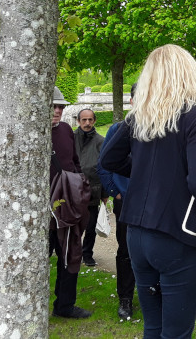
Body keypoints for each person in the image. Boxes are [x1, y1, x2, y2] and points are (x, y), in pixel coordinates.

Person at [98, 44, 196, 338]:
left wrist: (152, 176)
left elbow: (110, 159)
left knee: (153, 328)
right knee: (176, 333)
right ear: (188, 72)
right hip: (177, 239)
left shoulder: (140, 116)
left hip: (137, 236)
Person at [49, 86, 92, 319]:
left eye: (60, 107)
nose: (57, 110)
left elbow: (74, 162)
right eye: (53, 106)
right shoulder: (29, 132)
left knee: (70, 256)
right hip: (43, 210)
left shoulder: (66, 129)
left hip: (67, 205)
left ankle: (64, 306)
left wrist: (79, 185)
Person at [98, 84, 137, 320]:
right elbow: (103, 164)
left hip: (153, 201)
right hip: (126, 199)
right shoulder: (118, 129)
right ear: (131, 101)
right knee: (126, 250)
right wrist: (116, 192)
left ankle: (155, 293)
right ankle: (125, 298)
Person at [74, 108, 107, 267]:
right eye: (84, 120)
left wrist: (105, 192)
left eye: (90, 120)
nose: (87, 123)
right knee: (73, 225)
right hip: (72, 190)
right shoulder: (71, 139)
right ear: (78, 121)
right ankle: (73, 252)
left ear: (94, 121)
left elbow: (106, 167)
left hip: (93, 190)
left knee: (91, 226)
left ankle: (87, 254)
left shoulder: (101, 141)